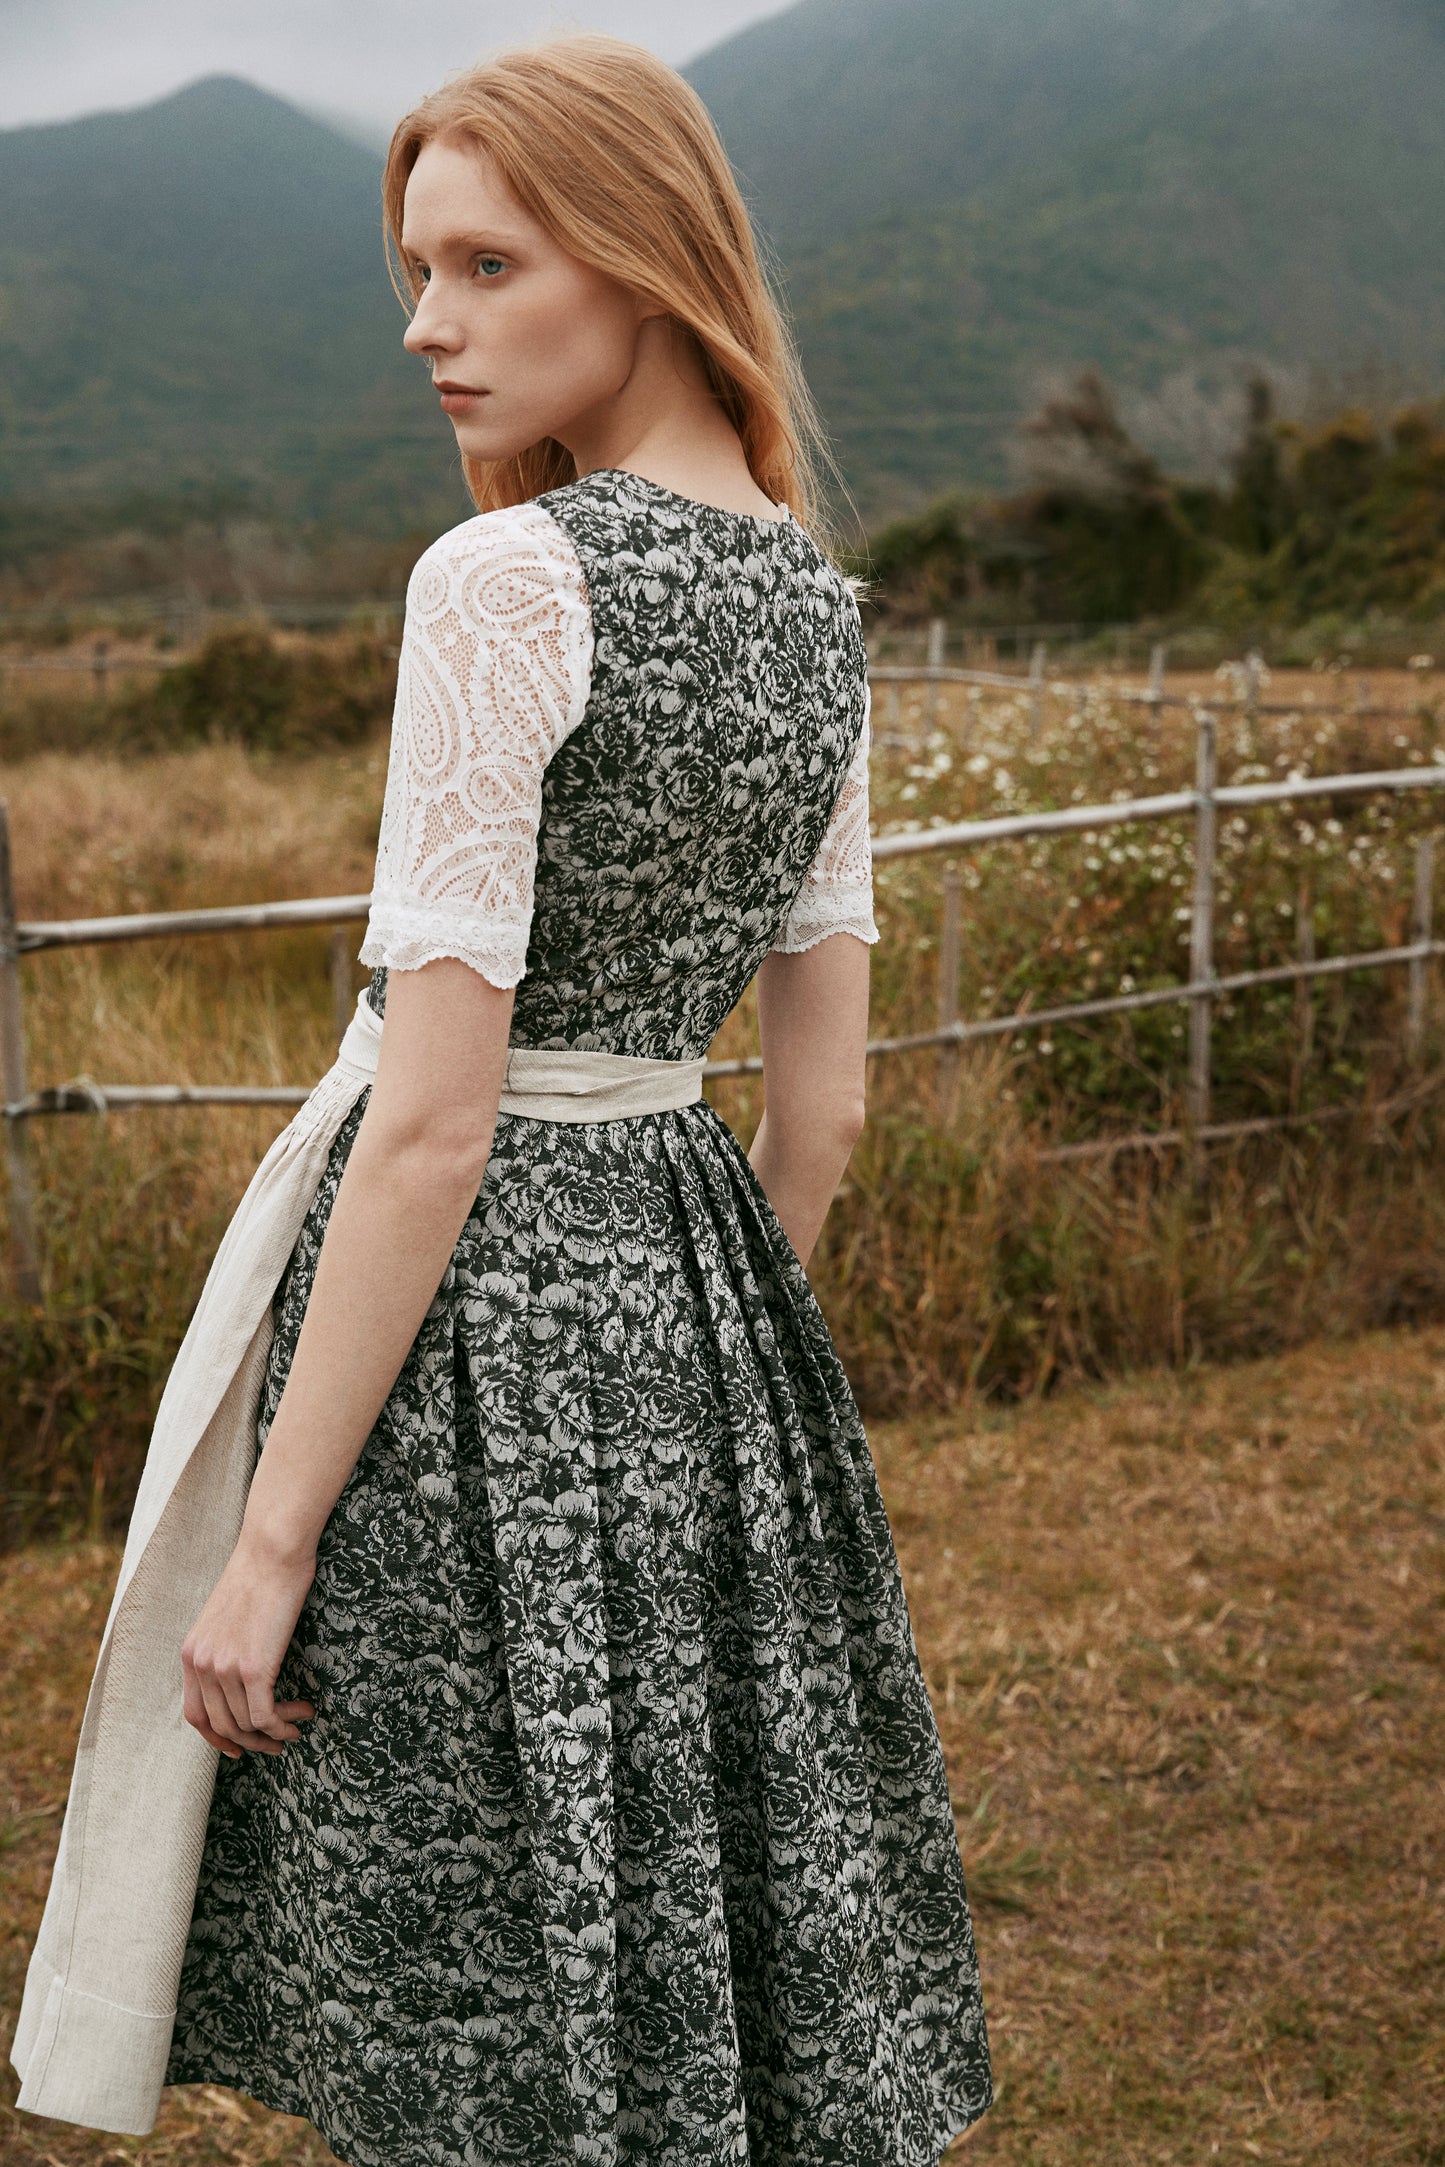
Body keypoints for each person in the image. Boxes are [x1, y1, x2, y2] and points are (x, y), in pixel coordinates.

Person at [15, 32, 991, 2165]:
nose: (423, 323)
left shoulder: (505, 581)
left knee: (466, 1970)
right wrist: (708, 1366)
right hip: (710, 1307)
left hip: (470, 1319)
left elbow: (438, 1119)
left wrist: (266, 1553)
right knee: (670, 1927)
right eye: (415, 266)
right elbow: (818, 1113)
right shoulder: (819, 611)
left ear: (642, 257)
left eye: (480, 263)